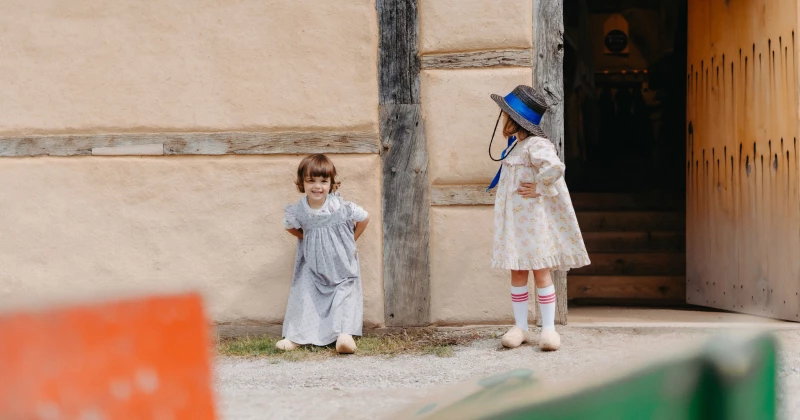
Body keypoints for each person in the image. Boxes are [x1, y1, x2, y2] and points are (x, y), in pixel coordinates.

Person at [487, 85, 591, 351]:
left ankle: (548, 329)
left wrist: (540, 187)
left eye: (505, 115)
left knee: (541, 271)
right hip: (515, 224)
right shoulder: (515, 146)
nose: (502, 119)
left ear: (516, 119)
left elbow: (555, 167)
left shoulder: (536, 144)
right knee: (518, 271)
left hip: (533, 223)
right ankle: (520, 326)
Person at [276, 154, 369, 354]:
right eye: (311, 181)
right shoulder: (299, 210)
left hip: (341, 261)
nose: (317, 186)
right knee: (305, 295)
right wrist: (306, 237)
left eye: (323, 181)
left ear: (331, 184)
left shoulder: (339, 206)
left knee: (343, 295)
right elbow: (289, 227)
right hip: (313, 263)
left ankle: (344, 336)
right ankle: (295, 337)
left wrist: (351, 241)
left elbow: (364, 218)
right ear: (302, 182)